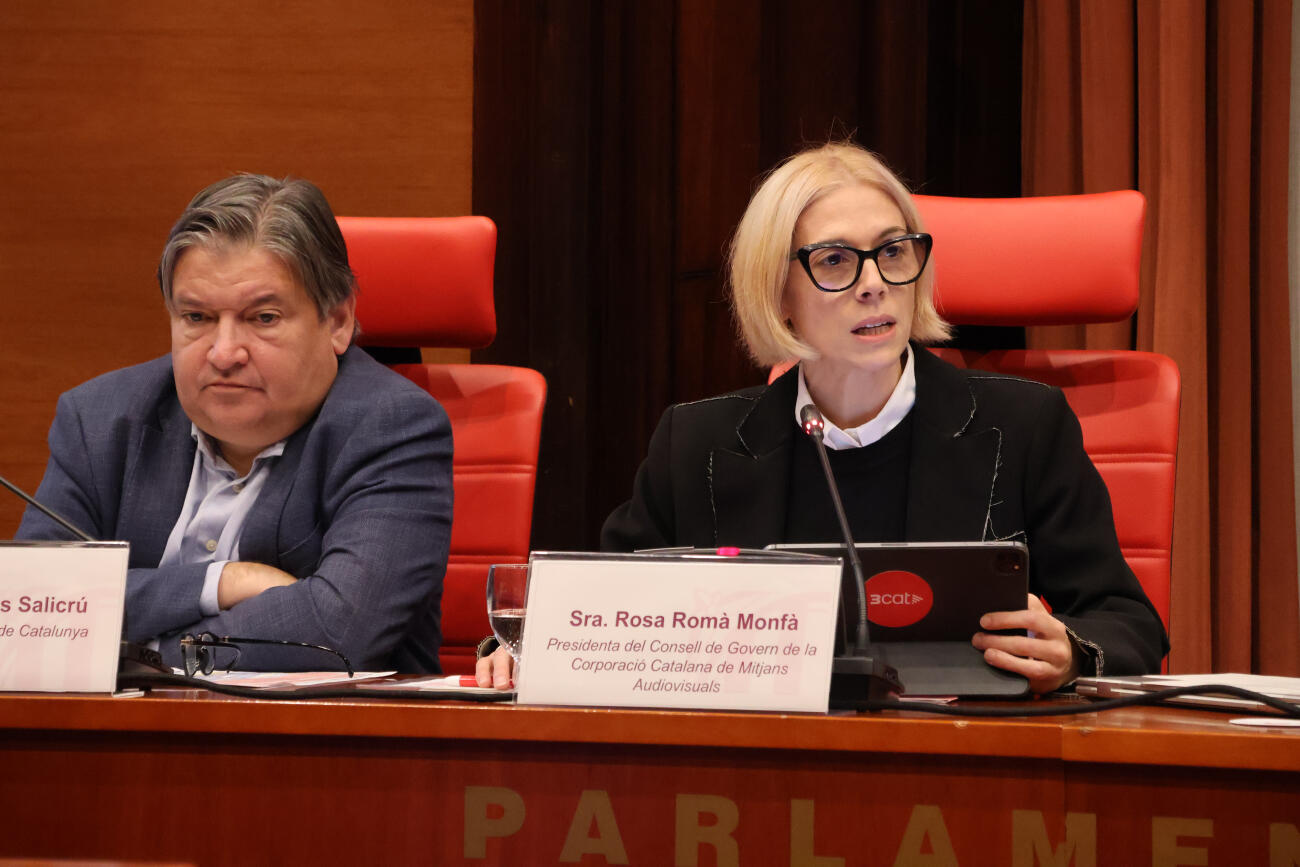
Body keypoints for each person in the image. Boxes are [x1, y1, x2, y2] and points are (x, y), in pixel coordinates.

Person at [479, 141, 1167, 692]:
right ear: (778, 292)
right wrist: (523, 645)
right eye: (835, 260)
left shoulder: (1024, 426)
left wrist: (1071, 653)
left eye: (893, 252)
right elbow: (594, 606)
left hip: (967, 769)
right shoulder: (699, 446)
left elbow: (1127, 621)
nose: (874, 283)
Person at [16, 174, 453, 673]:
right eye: (197, 318)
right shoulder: (99, 420)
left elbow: (337, 631)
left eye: (263, 318)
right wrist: (221, 583)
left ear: (337, 322)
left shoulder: (394, 429)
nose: (224, 354)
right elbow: (28, 608)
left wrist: (135, 652)